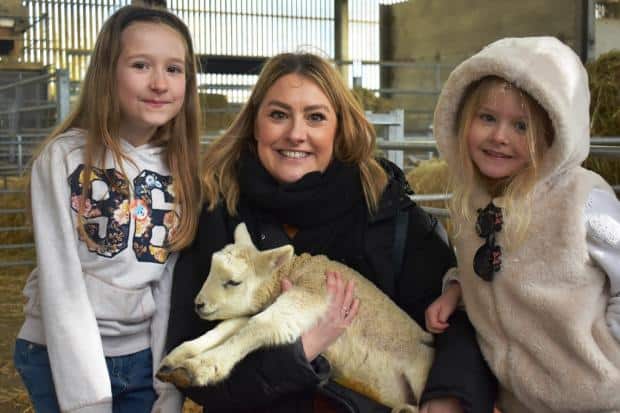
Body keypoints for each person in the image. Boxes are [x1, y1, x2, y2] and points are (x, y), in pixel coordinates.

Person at [164, 52, 497, 413]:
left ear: (339, 128)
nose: (295, 133)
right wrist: (296, 354)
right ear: (254, 124)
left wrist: (445, 396)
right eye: (278, 115)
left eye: (316, 117)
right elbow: (187, 358)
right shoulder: (218, 213)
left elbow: (462, 316)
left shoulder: (386, 212)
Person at [13, 5, 202, 413]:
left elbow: (167, 286)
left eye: (174, 69)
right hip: (56, 353)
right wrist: (87, 400)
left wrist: (166, 386)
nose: (159, 83)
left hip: (137, 360)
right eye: (140, 65)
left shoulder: (181, 169)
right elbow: (60, 280)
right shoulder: (63, 159)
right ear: (107, 72)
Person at [426, 36, 620, 412]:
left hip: (596, 398)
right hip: (518, 401)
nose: (499, 136)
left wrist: (608, 354)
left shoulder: (582, 199)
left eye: (521, 126)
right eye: (487, 118)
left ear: (553, 133)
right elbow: (493, 274)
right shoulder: (473, 200)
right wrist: (456, 291)